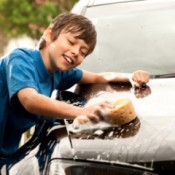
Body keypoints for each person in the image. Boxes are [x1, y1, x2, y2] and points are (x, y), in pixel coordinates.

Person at [0, 12, 149, 169]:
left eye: (83, 52)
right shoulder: (20, 60)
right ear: (50, 34)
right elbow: (30, 100)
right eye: (71, 42)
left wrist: (132, 77)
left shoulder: (58, 72)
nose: (76, 52)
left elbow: (98, 78)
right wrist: (81, 112)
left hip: (6, 154)